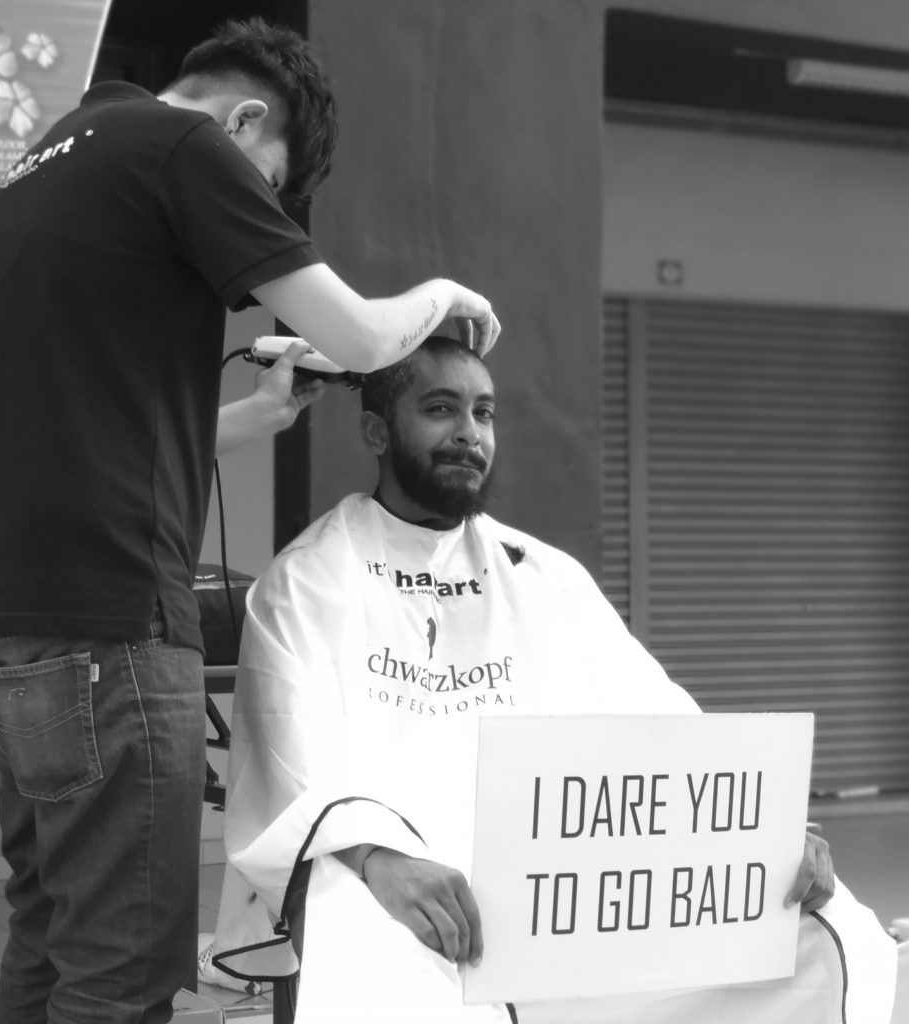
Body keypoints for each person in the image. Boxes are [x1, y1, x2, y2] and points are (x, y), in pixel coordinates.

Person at [0, 17, 501, 1024]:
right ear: (244, 121)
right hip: (102, 625)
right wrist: (443, 294)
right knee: (123, 970)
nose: (253, 218)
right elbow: (363, 333)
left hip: (0, 621)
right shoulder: (189, 145)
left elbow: (101, 420)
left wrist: (260, 414)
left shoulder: (45, 159)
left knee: (49, 932)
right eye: (267, 190)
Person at [210, 335, 897, 1023]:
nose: (468, 434)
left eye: (484, 413)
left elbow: (660, 718)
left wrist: (768, 826)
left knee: (825, 926)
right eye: (442, 409)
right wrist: (376, 856)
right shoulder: (309, 580)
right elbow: (288, 751)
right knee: (386, 959)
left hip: (558, 871)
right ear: (376, 430)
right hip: (399, 868)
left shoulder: (540, 573)